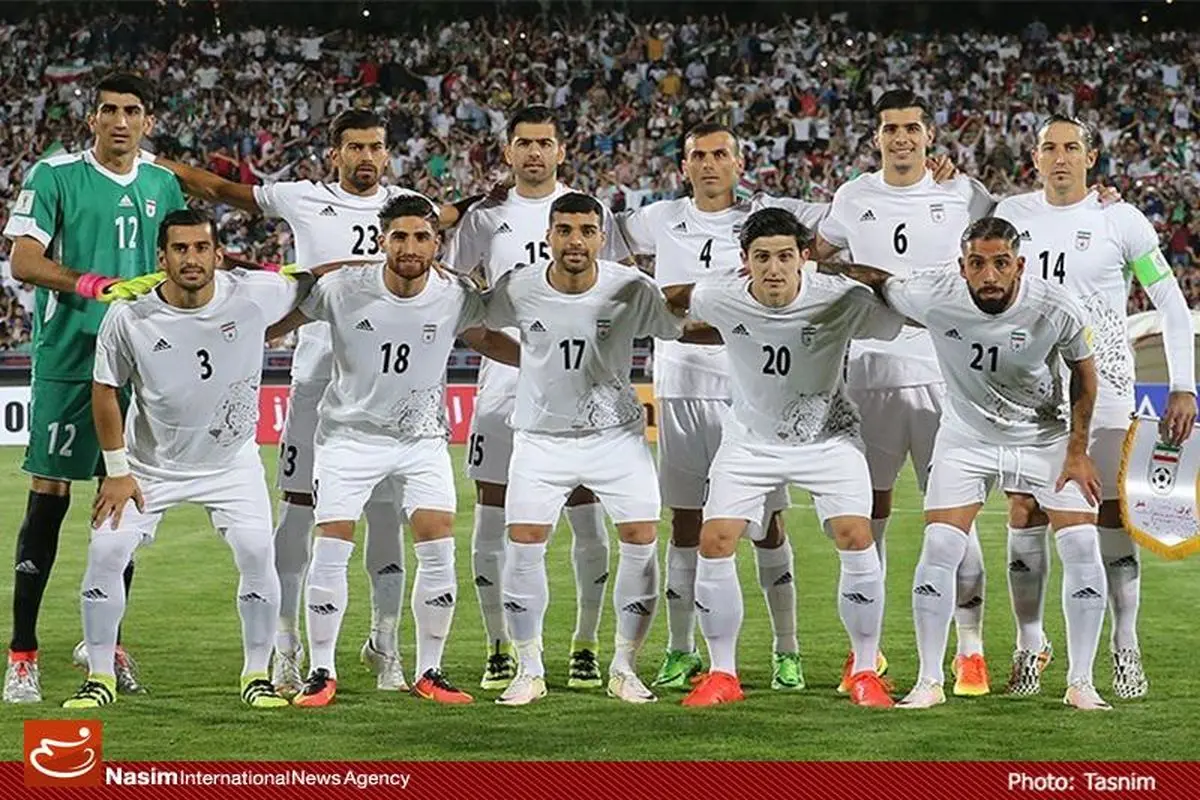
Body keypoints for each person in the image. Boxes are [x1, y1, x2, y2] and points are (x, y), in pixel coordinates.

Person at [158, 110, 433, 695]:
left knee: (385, 514)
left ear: (388, 154)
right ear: (335, 153)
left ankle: (385, 644)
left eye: (375, 147)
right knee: (301, 508)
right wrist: (151, 163)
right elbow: (223, 191)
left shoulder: (410, 209)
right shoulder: (303, 197)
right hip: (316, 380)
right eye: (355, 147)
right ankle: (286, 646)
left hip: (386, 389)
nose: (366, 157)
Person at [826, 216, 1113, 711]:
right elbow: (879, 282)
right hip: (965, 439)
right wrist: (814, 268)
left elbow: (1084, 374)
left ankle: (1081, 683)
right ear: (962, 267)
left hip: (1041, 437)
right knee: (939, 545)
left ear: (1019, 265)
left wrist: (1077, 450)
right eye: (977, 263)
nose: (989, 275)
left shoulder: (1055, 306)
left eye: (1001, 263)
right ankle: (929, 681)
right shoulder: (934, 295)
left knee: (1083, 545)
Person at [279, 195, 518, 707]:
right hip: (348, 438)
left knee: (437, 543)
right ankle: (321, 672)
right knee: (332, 545)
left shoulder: (455, 294)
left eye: (422, 237)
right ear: (381, 240)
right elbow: (280, 319)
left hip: (421, 439)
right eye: (400, 237)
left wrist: (543, 362)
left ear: (437, 243)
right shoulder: (342, 288)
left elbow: (486, 338)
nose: (411, 247)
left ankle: (430, 671)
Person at [63, 209, 307, 709]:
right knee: (106, 552)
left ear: (219, 254)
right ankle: (100, 677)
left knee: (258, 553)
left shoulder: (256, 293)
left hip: (231, 464)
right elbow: (105, 389)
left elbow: (316, 280)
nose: (191, 258)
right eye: (179, 249)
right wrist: (116, 471)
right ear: (162, 257)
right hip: (150, 466)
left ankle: (256, 674)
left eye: (201, 248)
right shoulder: (129, 315)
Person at [617, 122, 827, 692]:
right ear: (684, 165)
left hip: (751, 388)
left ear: (739, 162)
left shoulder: (767, 216)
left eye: (719, 154)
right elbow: (599, 235)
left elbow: (841, 225)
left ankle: (787, 650)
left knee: (767, 526)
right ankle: (681, 649)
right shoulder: (658, 218)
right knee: (686, 522)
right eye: (698, 156)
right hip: (681, 384)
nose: (709, 164)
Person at [661, 207, 900, 708]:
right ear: (744, 260)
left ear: (804, 257)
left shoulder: (841, 297)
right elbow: (672, 302)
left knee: (856, 535)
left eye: (786, 256)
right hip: (750, 442)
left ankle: (864, 669)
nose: (774, 269)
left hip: (829, 439)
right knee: (714, 539)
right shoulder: (720, 295)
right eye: (762, 257)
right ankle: (722, 673)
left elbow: (895, 309)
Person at [995, 115, 1196, 699]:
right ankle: (1030, 644)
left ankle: (1124, 644)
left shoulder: (1120, 219)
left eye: (1071, 148)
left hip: (1105, 389)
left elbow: (1170, 303)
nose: (1060, 157)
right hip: (1028, 392)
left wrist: (1182, 384)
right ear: (1035, 157)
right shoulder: (1010, 214)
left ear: (1091, 158)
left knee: (1109, 517)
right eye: (1049, 148)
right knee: (1024, 513)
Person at [1, 72, 187, 703]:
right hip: (69, 355)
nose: (119, 121)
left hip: (138, 362)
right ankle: (23, 652)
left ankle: (105, 645)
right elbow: (23, 260)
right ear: (93, 120)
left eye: (132, 111)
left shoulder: (163, 183)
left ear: (148, 122)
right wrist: (92, 285)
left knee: (123, 503)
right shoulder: (54, 175)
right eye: (109, 110)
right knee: (48, 498)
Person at [812, 90, 996, 696]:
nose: (901, 138)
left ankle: (970, 651)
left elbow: (1020, 226)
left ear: (928, 135)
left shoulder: (962, 194)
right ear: (877, 136)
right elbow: (814, 253)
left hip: (948, 376)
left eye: (911, 128)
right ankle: (867, 653)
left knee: (956, 522)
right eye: (890, 128)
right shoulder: (852, 196)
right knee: (869, 518)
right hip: (870, 376)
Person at [443, 106, 628, 691]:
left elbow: (620, 295)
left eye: (544, 143)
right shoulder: (485, 216)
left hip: (578, 389)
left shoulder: (588, 211)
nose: (534, 153)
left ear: (560, 150)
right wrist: (521, 355)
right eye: (523, 143)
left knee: (586, 518)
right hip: (503, 384)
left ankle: (585, 643)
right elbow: (453, 297)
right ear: (508, 151)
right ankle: (500, 644)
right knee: (493, 517)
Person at [483, 192, 686, 706]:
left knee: (641, 539)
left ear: (602, 237)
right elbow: (475, 324)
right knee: (524, 543)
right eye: (565, 230)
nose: (575, 241)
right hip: (541, 438)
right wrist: (531, 363)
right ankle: (529, 668)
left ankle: (624, 667)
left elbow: (677, 327)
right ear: (549, 236)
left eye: (587, 231)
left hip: (615, 437)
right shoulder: (519, 286)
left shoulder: (631, 287)